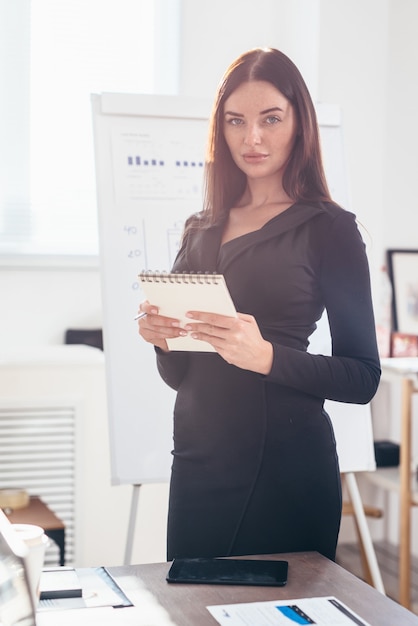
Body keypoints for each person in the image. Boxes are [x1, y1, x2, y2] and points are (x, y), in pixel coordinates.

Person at [137, 47, 381, 562]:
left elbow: (363, 378)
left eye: (271, 119)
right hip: (200, 464)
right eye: (236, 121)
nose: (252, 138)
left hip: (285, 470)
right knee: (192, 612)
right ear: (220, 131)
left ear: (299, 123)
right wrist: (163, 341)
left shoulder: (330, 229)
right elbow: (183, 374)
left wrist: (266, 356)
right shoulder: (201, 228)